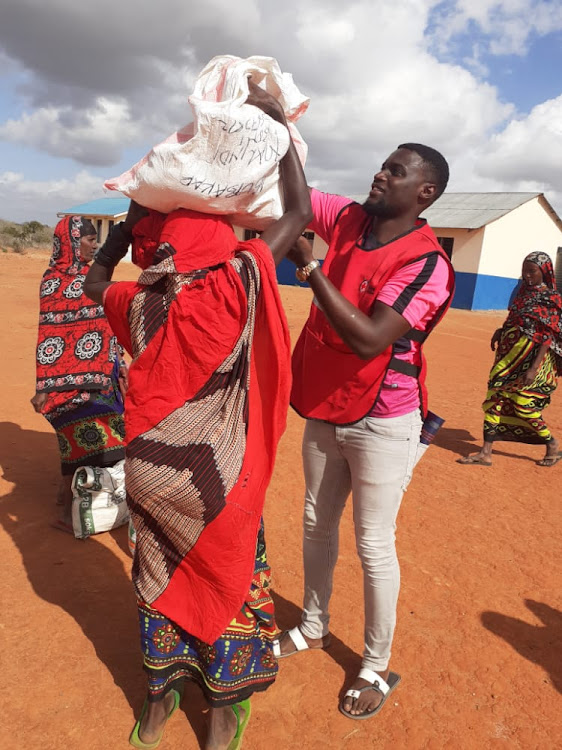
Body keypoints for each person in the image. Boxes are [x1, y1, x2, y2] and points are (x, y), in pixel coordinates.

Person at [84, 80, 311, 750]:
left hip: (151, 475)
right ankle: (220, 718)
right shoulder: (237, 283)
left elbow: (97, 279)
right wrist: (276, 133)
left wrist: (130, 221)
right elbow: (294, 211)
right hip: (220, 483)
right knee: (233, 581)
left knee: (156, 578)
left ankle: (158, 705)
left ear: (154, 253)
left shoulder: (137, 304)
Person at [273, 144, 455, 720]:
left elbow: (371, 339)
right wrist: (279, 131)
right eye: (383, 163)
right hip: (328, 403)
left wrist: (308, 267)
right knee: (314, 522)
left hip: (385, 417)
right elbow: (298, 203)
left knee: (373, 543)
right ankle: (313, 627)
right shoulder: (351, 219)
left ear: (424, 192)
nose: (381, 173)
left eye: (396, 171)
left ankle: (375, 665)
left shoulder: (428, 263)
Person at [31, 216, 127, 533]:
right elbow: (50, 336)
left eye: (94, 238)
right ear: (71, 243)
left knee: (108, 432)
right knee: (75, 436)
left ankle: (89, 499)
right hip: (66, 382)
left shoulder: (94, 278)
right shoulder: (52, 282)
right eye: (87, 239)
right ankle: (76, 504)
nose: (94, 243)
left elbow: (109, 324)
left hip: (103, 374)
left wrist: (118, 364)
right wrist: (45, 384)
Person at [458, 251, 562, 467]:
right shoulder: (523, 293)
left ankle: (551, 443)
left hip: (532, 361)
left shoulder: (551, 299)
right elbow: (515, 319)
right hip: (506, 358)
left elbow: (547, 336)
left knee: (524, 405)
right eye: (524, 270)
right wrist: (501, 330)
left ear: (543, 271)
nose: (526, 275)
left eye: (531, 271)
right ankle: (485, 452)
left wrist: (533, 369)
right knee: (493, 399)